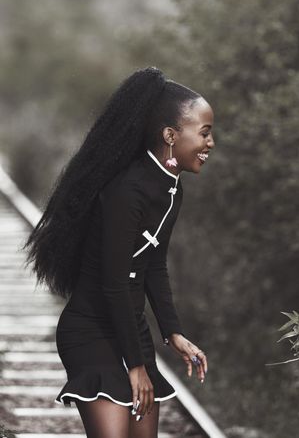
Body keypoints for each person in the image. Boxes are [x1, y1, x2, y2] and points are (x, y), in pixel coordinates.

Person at [22, 66, 213, 438]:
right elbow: (113, 284)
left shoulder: (171, 188)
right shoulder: (128, 191)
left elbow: (154, 266)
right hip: (92, 331)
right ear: (170, 135)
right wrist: (136, 365)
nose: (211, 143)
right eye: (204, 133)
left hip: (130, 329)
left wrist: (173, 332)